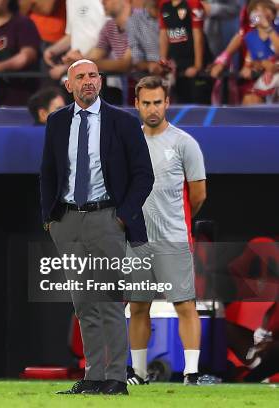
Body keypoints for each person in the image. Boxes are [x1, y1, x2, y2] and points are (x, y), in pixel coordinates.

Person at [40, 59, 154, 396]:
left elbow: (143, 175)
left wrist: (122, 216)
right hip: (67, 221)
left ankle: (116, 378)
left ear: (101, 81)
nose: (88, 81)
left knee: (108, 300)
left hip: (107, 218)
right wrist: (50, 219)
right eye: (81, 77)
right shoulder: (57, 122)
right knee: (83, 302)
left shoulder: (123, 122)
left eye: (93, 76)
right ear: (68, 85)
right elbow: (48, 172)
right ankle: (93, 376)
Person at [129, 76, 207, 386]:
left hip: (174, 237)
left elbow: (198, 194)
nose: (152, 109)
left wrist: (177, 221)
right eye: (146, 103)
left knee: (185, 304)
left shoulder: (185, 143)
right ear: (137, 104)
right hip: (136, 240)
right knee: (137, 306)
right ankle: (137, 373)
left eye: (157, 102)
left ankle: (191, 372)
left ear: (167, 103)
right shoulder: (128, 143)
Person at [158, 0, 213, 104]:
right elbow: (163, 35)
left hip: (196, 68)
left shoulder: (194, 3)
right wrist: (163, 63)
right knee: (181, 106)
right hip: (178, 67)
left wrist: (197, 66)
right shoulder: (163, 4)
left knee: (199, 109)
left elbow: (198, 35)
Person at [42, 0, 105, 81]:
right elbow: (73, 34)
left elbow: (106, 39)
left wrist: (72, 65)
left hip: (101, 77)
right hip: (75, 76)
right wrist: (53, 50)